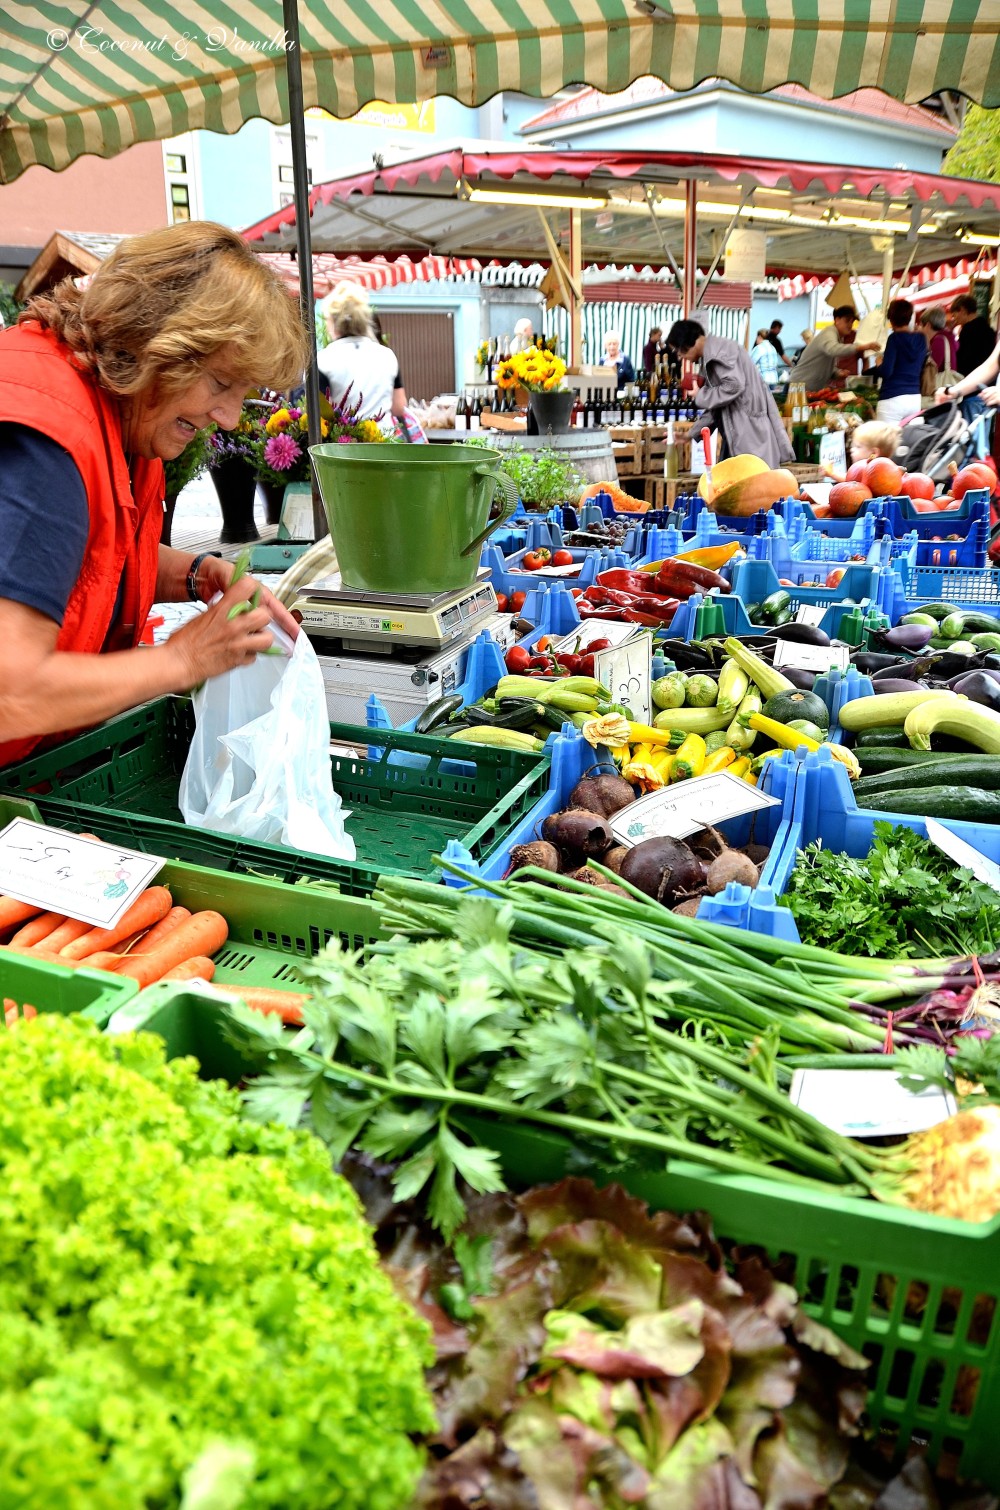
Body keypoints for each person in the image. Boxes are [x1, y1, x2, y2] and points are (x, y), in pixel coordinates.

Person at [0, 220, 308, 768]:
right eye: (219, 384)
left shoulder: (120, 417)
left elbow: (80, 558)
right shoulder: (46, 443)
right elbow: (9, 692)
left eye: (243, 393)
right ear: (157, 345)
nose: (231, 417)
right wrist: (183, 659)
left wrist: (196, 573)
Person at [665, 319, 794, 469]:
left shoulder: (721, 352)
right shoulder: (712, 355)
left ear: (687, 343)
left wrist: (701, 395)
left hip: (751, 438)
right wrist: (690, 435)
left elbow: (734, 386)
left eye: (678, 351)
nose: (680, 357)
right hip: (742, 437)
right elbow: (718, 407)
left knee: (755, 488)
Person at [317, 283, 406, 433]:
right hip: (385, 442)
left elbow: (320, 413)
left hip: (345, 448)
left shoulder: (323, 360)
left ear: (333, 321)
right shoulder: (387, 356)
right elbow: (399, 407)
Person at [941, 294, 998, 458]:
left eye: (955, 313)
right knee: (982, 439)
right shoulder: (988, 329)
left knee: (969, 440)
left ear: (964, 311)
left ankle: (972, 474)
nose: (954, 317)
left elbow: (964, 362)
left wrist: (956, 389)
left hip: (972, 392)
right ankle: (983, 471)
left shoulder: (968, 330)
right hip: (989, 391)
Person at [791, 307, 879, 393]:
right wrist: (861, 347)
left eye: (852, 322)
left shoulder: (836, 336)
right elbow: (833, 349)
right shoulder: (829, 332)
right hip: (799, 387)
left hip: (809, 388)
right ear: (837, 320)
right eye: (847, 321)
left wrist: (837, 373)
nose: (850, 325)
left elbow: (823, 365)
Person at [871, 299, 926, 425]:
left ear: (891, 318)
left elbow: (886, 371)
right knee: (910, 441)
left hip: (892, 398)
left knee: (886, 442)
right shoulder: (921, 339)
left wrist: (879, 363)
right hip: (914, 398)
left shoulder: (894, 339)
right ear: (910, 317)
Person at [822, 420, 901, 480]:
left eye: (858, 446)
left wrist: (832, 473)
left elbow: (853, 481)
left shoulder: (874, 471)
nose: (852, 449)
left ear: (873, 453)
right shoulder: (889, 469)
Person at [918, 305, 958, 375]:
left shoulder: (939, 341)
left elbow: (931, 370)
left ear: (928, 325)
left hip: (940, 384)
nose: (919, 328)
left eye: (921, 325)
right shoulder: (945, 337)